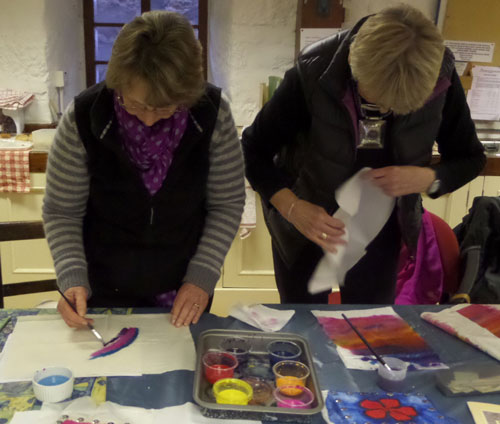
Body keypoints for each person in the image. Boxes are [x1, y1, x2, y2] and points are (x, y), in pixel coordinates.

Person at [242, 5, 486, 305]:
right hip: (305, 226)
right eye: (377, 101)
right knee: (303, 320)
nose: (384, 111)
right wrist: (292, 208)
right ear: (353, 67)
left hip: (380, 233)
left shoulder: (438, 73)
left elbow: (470, 158)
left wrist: (427, 178)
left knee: (370, 322)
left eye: (398, 108)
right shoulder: (314, 72)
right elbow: (253, 150)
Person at [43, 11, 245, 328]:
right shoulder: (85, 117)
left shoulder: (212, 114)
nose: (148, 119)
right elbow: (62, 211)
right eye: (135, 104)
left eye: (164, 108)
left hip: (184, 286)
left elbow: (227, 204)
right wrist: (72, 277)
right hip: (103, 288)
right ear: (119, 84)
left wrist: (202, 276)